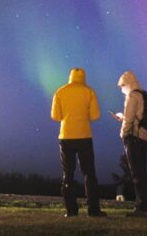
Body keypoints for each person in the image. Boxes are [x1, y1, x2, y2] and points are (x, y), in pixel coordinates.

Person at [50, 67, 105, 217]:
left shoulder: (60, 91)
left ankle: (71, 210)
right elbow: (95, 116)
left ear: (70, 76)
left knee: (68, 174)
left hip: (66, 137)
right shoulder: (89, 91)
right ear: (83, 77)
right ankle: (93, 210)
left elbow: (55, 116)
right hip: (84, 136)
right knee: (89, 174)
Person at [114, 70, 147, 217]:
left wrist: (123, 134)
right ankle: (143, 206)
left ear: (127, 83)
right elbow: (137, 117)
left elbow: (129, 120)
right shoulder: (143, 95)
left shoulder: (132, 96)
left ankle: (141, 208)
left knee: (137, 174)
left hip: (134, 138)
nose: (122, 89)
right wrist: (124, 119)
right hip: (144, 138)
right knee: (141, 172)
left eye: (122, 86)